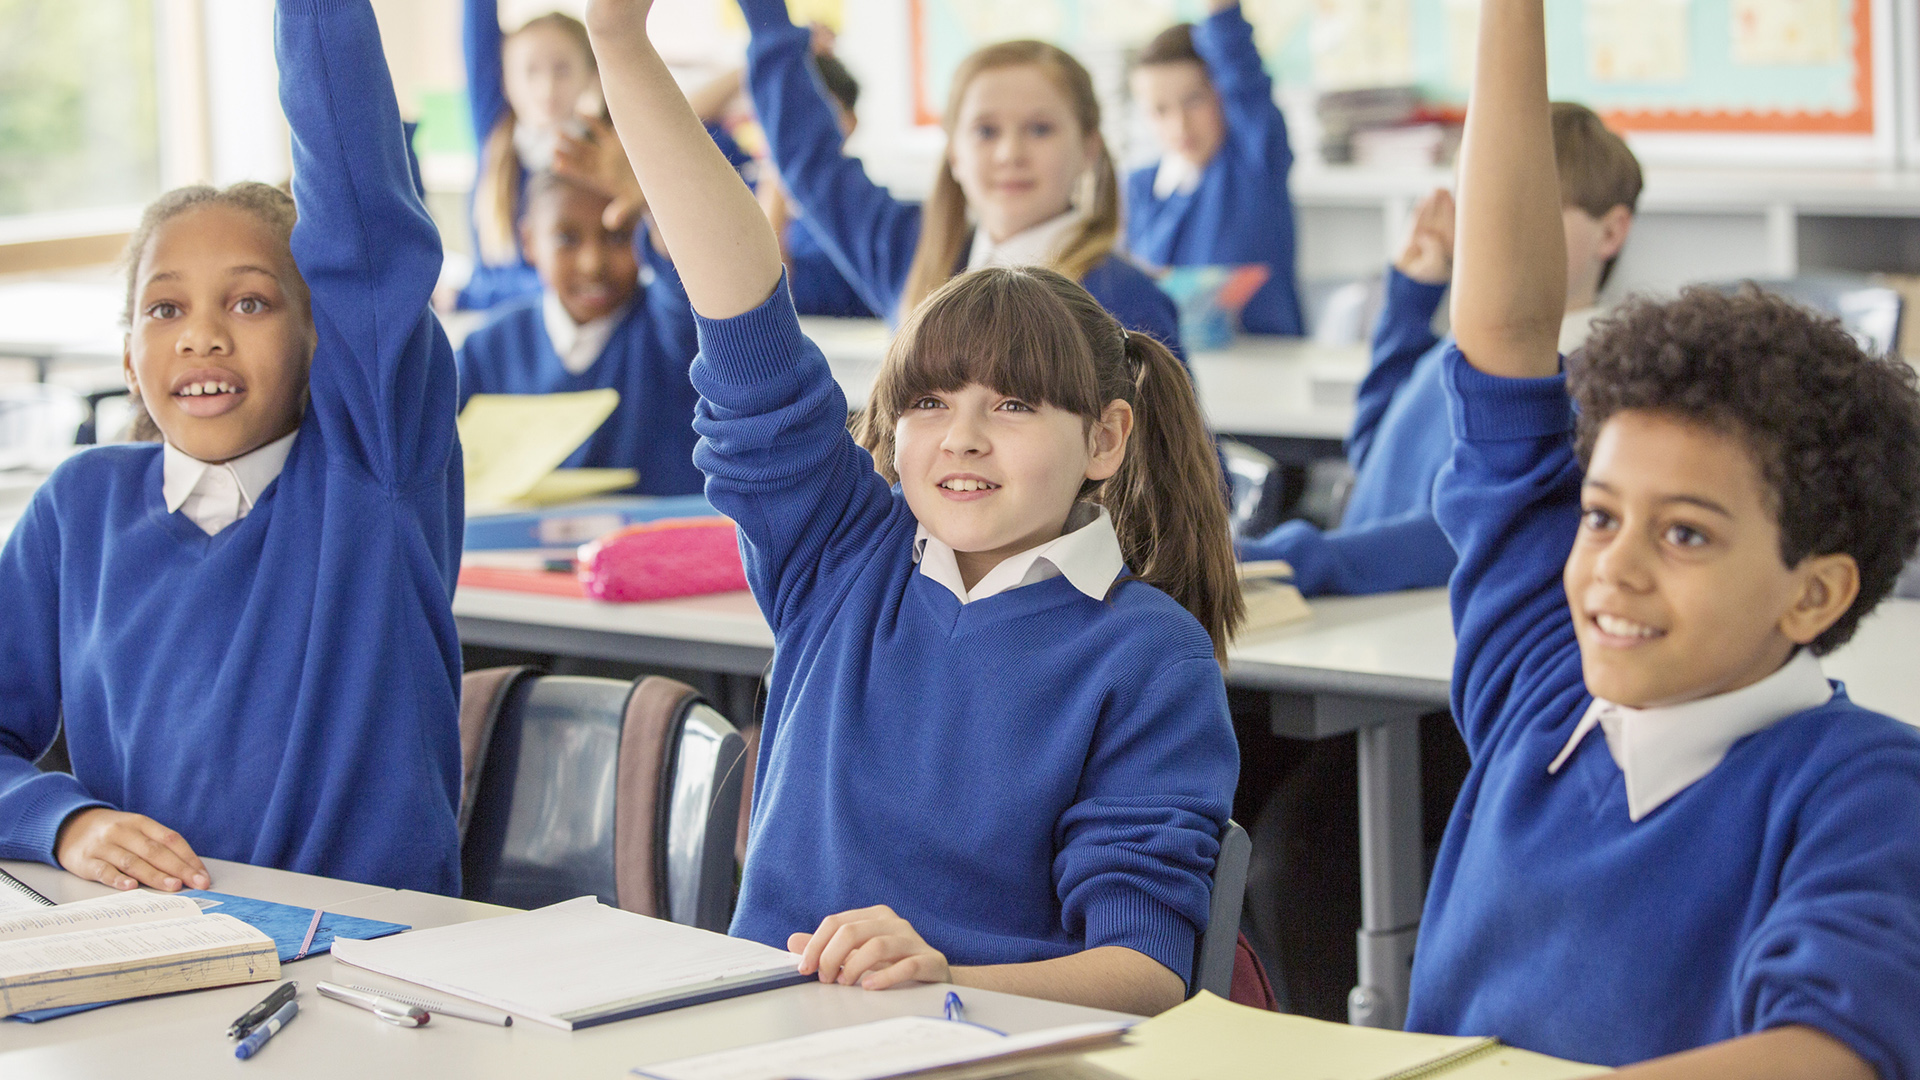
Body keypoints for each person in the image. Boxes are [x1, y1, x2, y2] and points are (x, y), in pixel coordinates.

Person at [585, 0, 1241, 1015]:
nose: (962, 438)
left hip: (985, 1046)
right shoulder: (841, 556)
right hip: (760, 1032)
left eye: (1014, 405)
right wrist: (620, 44)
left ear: (1105, 438)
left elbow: (1146, 975)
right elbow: (742, 313)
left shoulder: (1148, 654)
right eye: (928, 404)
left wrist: (939, 975)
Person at [1416, 0, 1920, 1074]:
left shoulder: (1863, 787)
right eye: (1600, 516)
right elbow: (1504, 333)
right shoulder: (1538, 688)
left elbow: (1830, 1052)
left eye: (1687, 536)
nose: (1614, 569)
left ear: (1815, 595)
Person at [0, 0, 464, 895]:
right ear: (130, 359)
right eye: (164, 308)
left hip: (373, 967)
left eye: (249, 303)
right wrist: (64, 822)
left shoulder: (374, 478)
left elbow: (365, 215)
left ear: (324, 339)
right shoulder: (79, 505)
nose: (201, 336)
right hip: (153, 961)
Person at [1238, 102, 1640, 597]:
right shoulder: (1463, 343)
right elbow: (1372, 453)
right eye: (1479, 205)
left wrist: (1295, 558)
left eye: (1532, 209)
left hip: (1413, 619)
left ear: (1612, 232)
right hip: (1365, 608)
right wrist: (1409, 302)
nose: (1493, 231)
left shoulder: (1587, 382)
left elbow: (1461, 533)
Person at [730, 0, 1185, 358]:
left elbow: (1182, 468)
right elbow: (810, 162)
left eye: (1040, 129)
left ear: (1089, 147)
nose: (1010, 154)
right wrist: (768, 19)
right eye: (986, 131)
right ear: (954, 153)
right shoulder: (913, 252)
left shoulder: (1125, 300)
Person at [456, 169, 703, 495]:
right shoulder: (486, 349)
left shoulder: (670, 330)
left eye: (617, 237)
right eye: (566, 239)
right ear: (529, 242)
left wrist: (656, 205)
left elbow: (686, 279)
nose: (592, 263)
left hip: (658, 539)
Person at [1126, 0, 1301, 335]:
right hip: (1174, 375)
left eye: (1194, 100)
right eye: (1160, 110)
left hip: (1267, 365)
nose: (1180, 125)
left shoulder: (1254, 168)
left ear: (1221, 94)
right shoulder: (1139, 187)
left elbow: (1246, 84)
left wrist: (1222, 15)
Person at [458, 0, 601, 311]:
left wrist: (469, 297)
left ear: (591, 74)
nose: (547, 88)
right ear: (505, 80)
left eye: (562, 70)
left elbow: (585, 288)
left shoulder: (604, 157)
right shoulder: (495, 138)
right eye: (530, 71)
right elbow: (476, 27)